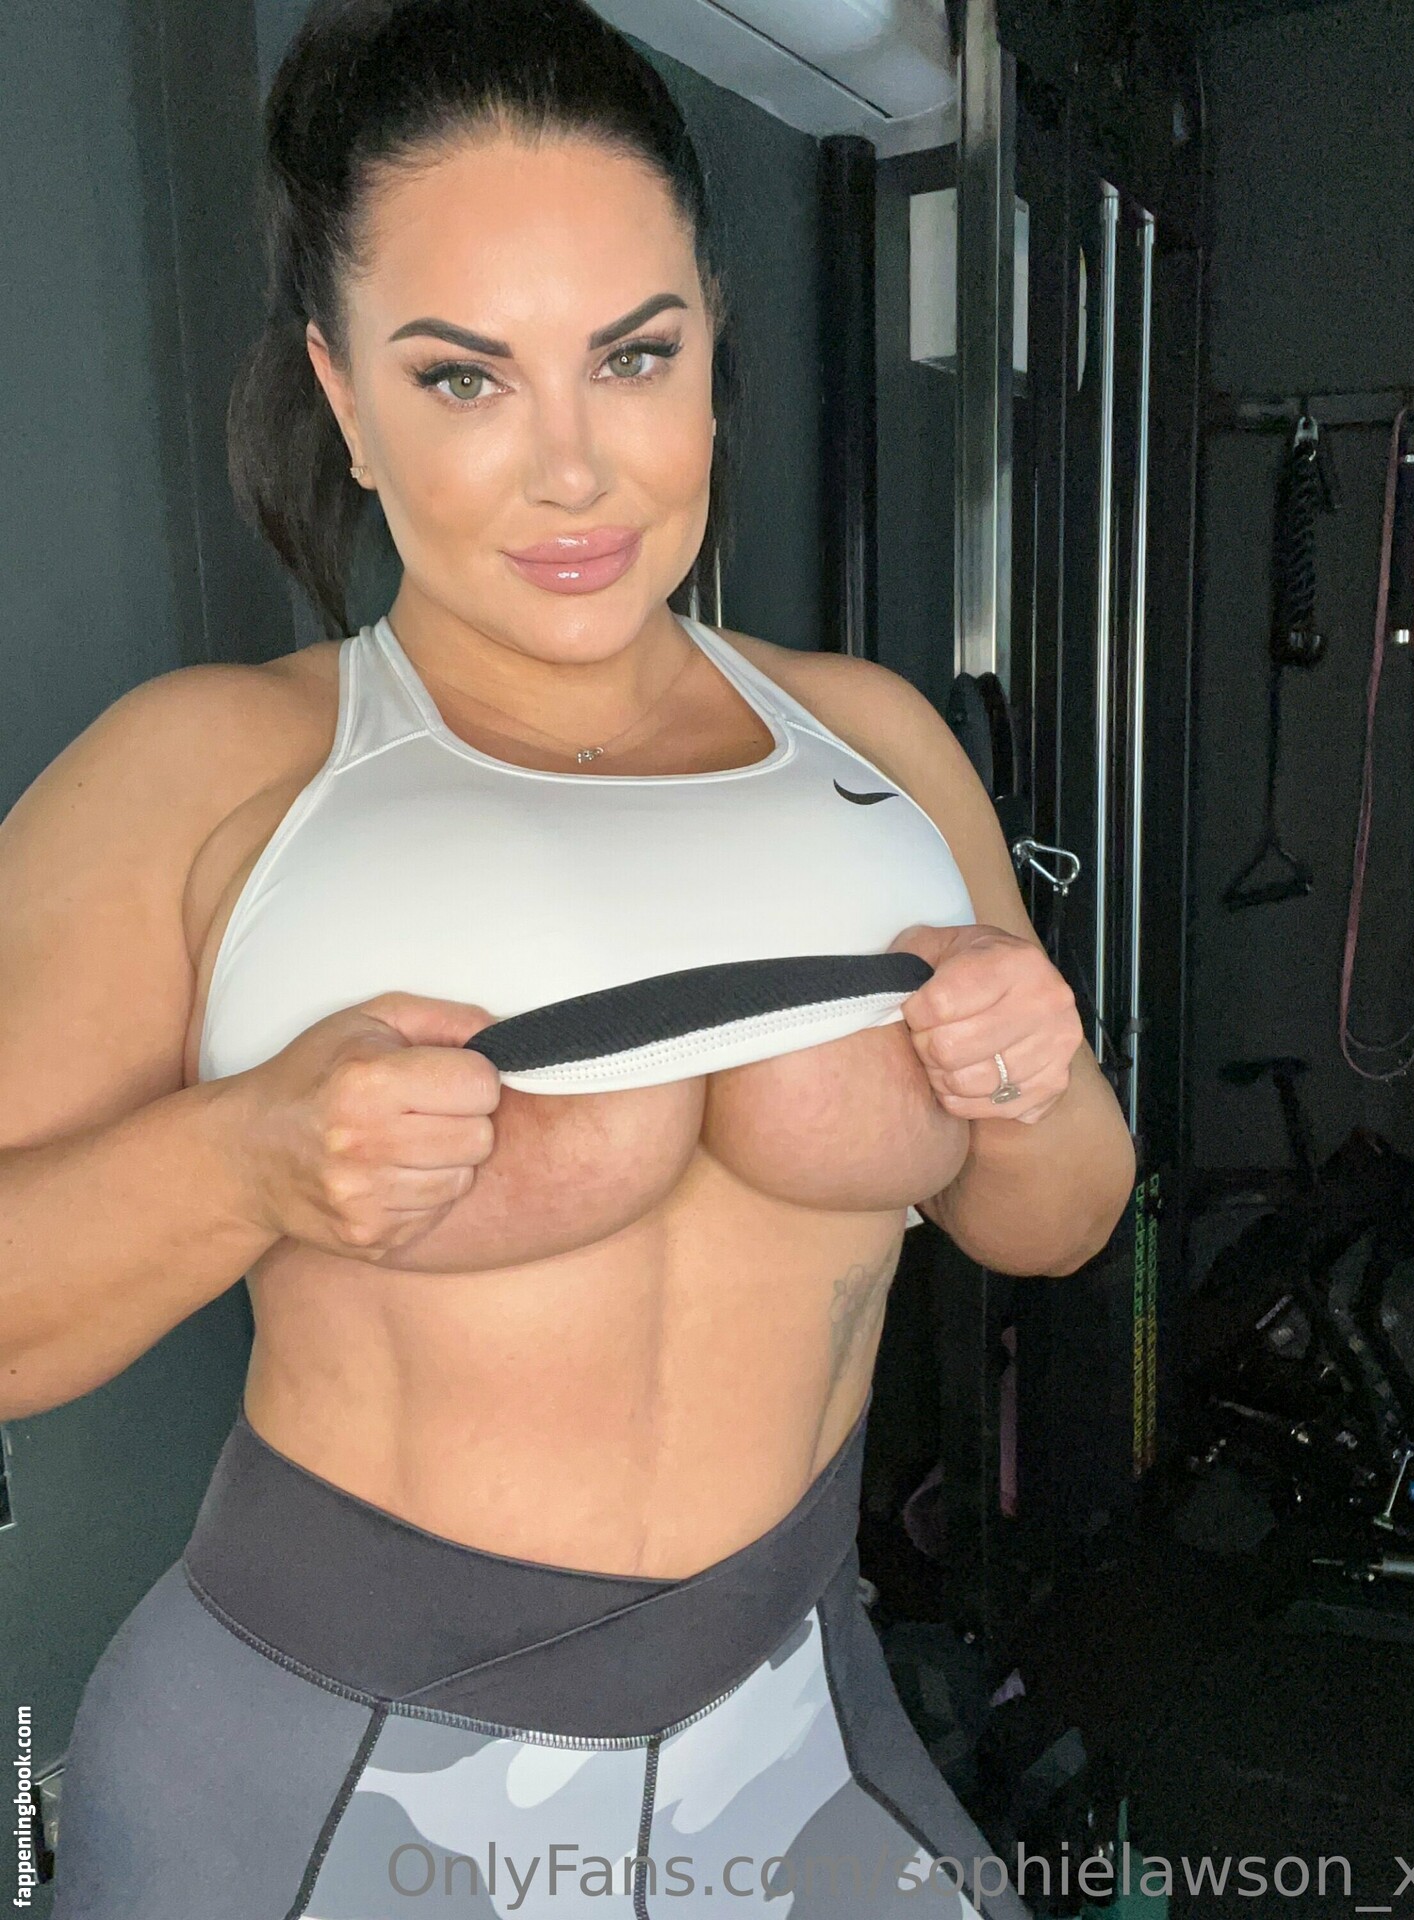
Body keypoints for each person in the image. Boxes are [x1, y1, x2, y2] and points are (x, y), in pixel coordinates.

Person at [1, 0, 1136, 1912]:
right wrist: (241, 1162)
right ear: (341, 393)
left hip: (794, 1713)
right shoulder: (209, 772)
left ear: (709, 352)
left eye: (633, 356)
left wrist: (1029, 1080)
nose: (573, 470)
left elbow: (1065, 1218)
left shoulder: (878, 744)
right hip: (317, 1782)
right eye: (463, 377)